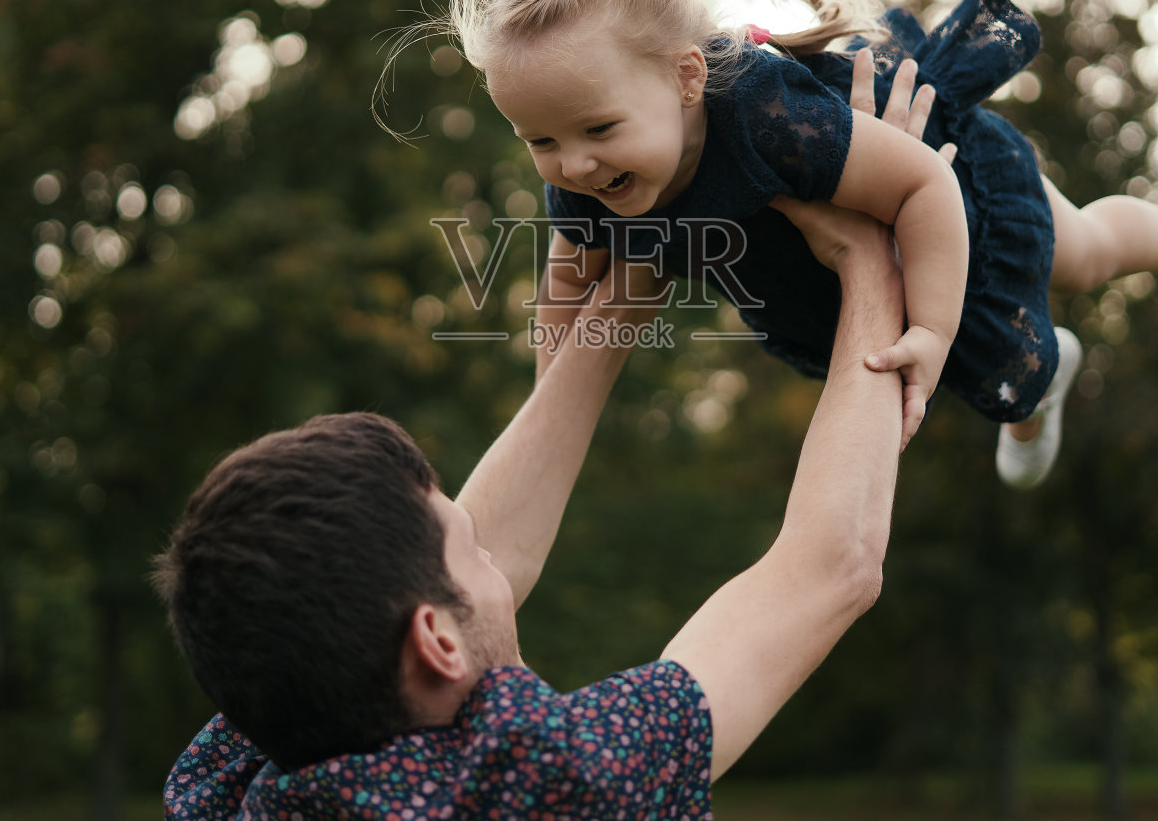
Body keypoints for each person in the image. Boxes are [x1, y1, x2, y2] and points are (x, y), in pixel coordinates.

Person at [154, 190, 906, 818]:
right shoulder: (546, 788)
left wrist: (643, 259)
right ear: (436, 642)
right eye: (469, 548)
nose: (494, 560)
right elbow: (831, 565)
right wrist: (870, 256)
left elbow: (441, 581)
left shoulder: (233, 777)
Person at [449, 0, 1158, 486]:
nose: (576, 165)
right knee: (995, 360)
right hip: (827, 280)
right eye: (541, 140)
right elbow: (566, 284)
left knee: (1080, 254)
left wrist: (936, 332)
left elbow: (922, 183)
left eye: (596, 129)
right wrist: (547, 397)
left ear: (686, 78)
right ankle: (1036, 380)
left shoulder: (768, 118)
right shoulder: (587, 182)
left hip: (944, 187)